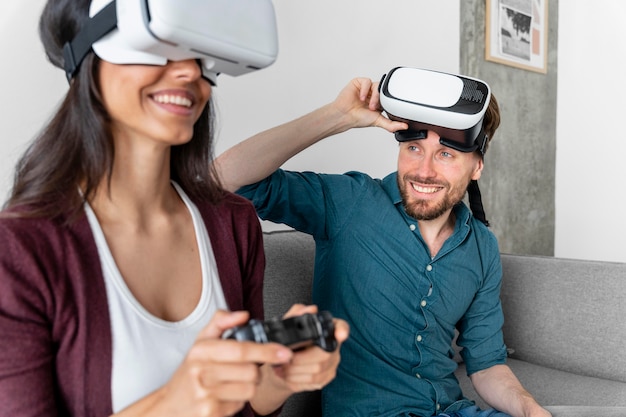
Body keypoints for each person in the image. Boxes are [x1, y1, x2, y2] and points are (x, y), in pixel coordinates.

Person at [0, 0, 348, 416]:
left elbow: (246, 406)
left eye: (197, 54)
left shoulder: (233, 223)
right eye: (157, 46)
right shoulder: (18, 251)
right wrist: (175, 401)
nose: (189, 72)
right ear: (87, 59)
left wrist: (274, 380)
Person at [215, 74, 552, 417]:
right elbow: (226, 179)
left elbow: (486, 365)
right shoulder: (350, 203)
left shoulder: (482, 247)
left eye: (446, 154)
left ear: (476, 166)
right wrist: (337, 116)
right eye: (414, 148)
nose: (424, 170)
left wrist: (530, 411)